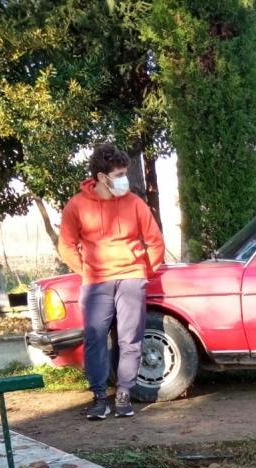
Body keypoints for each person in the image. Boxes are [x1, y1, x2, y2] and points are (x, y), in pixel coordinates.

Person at [58, 143, 165, 420]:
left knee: (130, 339)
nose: (124, 179)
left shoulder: (134, 203)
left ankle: (123, 394)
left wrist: (144, 272)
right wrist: (86, 272)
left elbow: (154, 240)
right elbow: (66, 245)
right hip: (96, 282)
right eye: (119, 174)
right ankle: (98, 397)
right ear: (102, 177)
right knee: (95, 338)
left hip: (131, 278)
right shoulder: (77, 206)